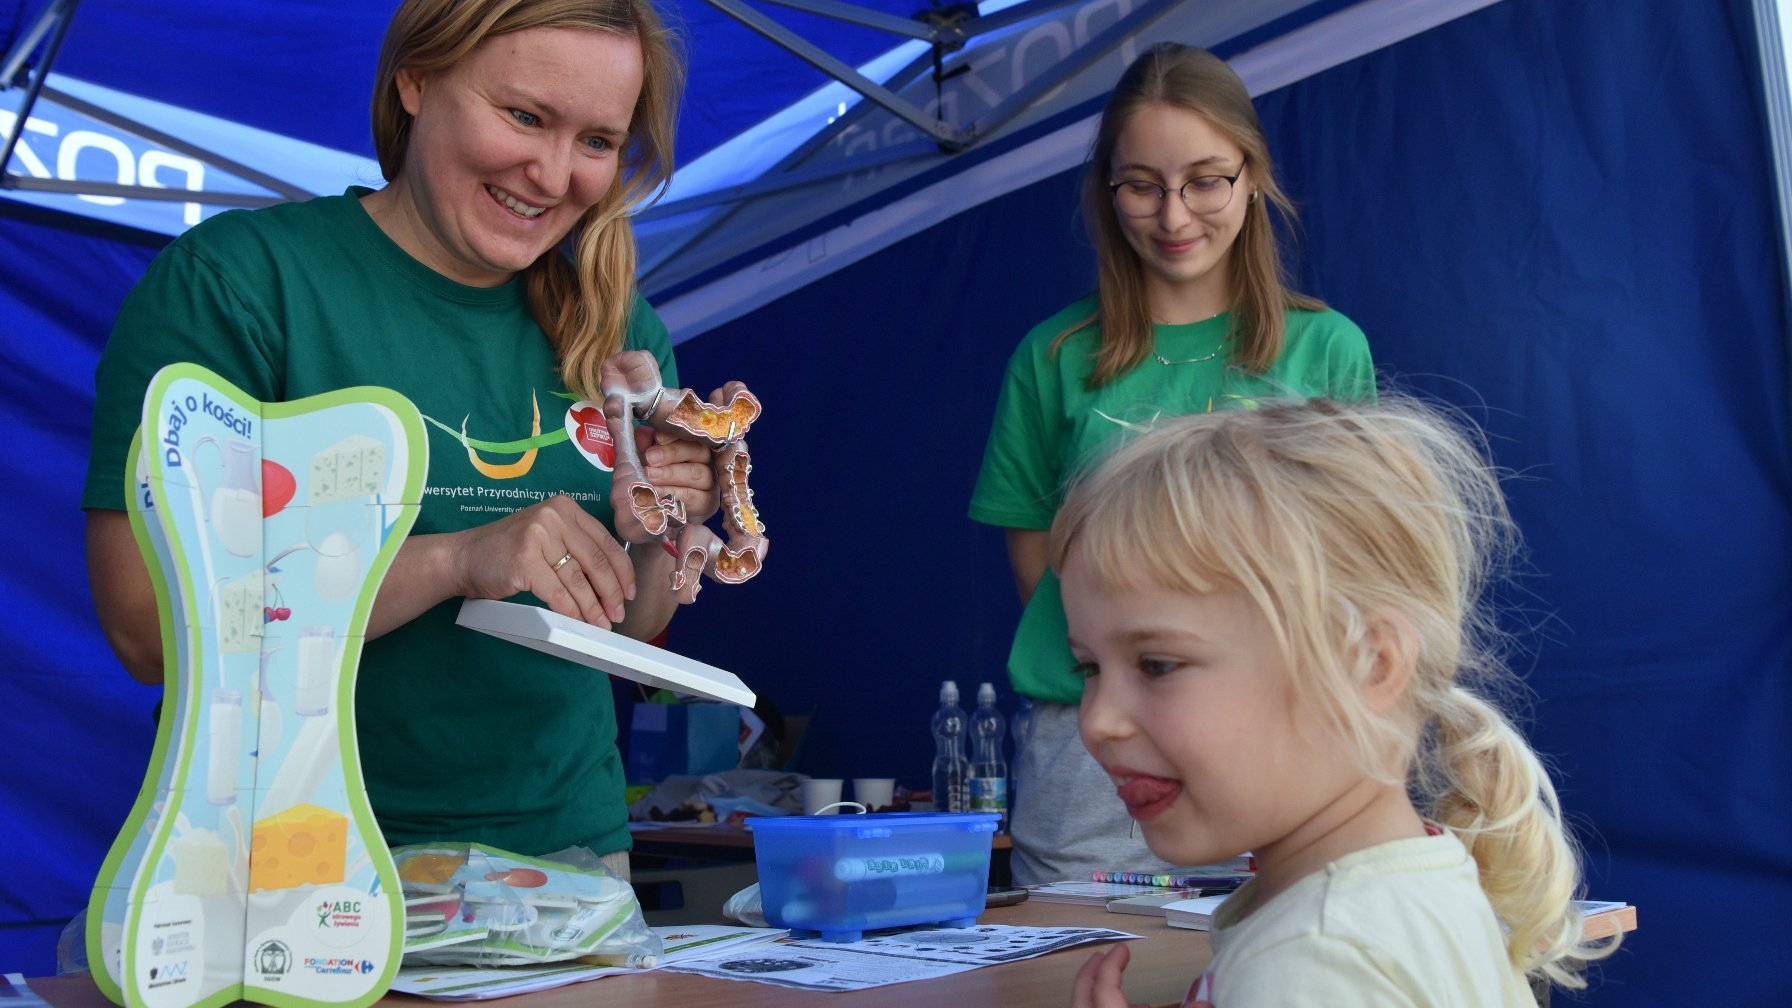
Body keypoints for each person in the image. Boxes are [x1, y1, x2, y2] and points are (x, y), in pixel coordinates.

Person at [82, 0, 700, 875]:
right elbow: (149, 628)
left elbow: (633, 631)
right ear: (415, 80)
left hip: (568, 869)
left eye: (597, 142)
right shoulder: (241, 285)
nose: (554, 172)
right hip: (280, 867)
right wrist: (454, 561)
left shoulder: (618, 327)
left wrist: (662, 528)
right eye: (525, 116)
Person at [968, 42, 1375, 884]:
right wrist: (1132, 675)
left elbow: (1355, 562)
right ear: (1107, 190)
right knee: (1087, 976)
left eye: (1204, 180)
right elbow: (1035, 560)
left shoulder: (1327, 348)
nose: (1174, 215)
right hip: (1096, 752)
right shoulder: (1052, 357)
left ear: (1251, 175)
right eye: (1142, 185)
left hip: (1279, 734)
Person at [1058, 398, 1616, 1006]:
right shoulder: (1419, 886)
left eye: (1157, 664)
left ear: (1369, 664)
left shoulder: (1312, 963)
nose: (1098, 721)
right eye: (1087, 666)